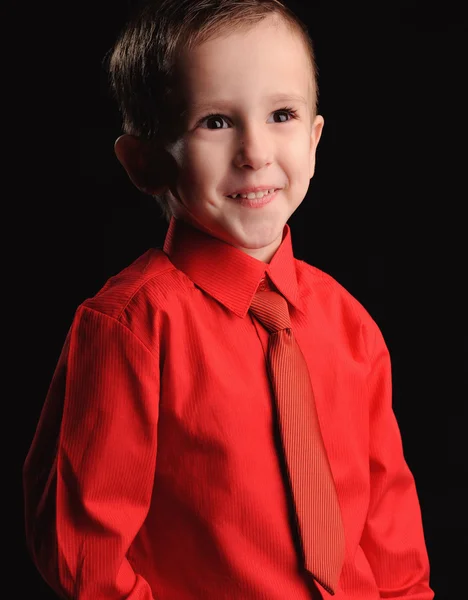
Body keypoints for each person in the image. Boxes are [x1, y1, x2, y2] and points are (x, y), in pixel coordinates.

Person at [23, 0, 434, 598]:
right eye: (216, 121)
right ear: (143, 162)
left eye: (282, 114)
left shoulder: (351, 325)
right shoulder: (131, 327)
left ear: (316, 139)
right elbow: (86, 553)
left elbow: (390, 529)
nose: (255, 152)